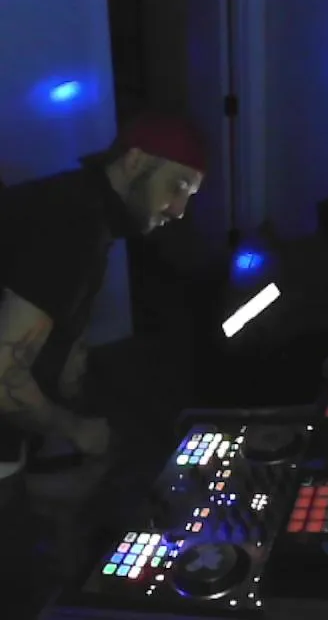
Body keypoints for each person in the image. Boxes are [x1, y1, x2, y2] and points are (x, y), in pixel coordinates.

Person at [0, 113, 205, 605]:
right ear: (134, 162)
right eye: (177, 186)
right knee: (16, 580)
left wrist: (70, 354)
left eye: (190, 195)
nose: (179, 210)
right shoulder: (72, 227)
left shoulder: (78, 203)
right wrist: (73, 428)